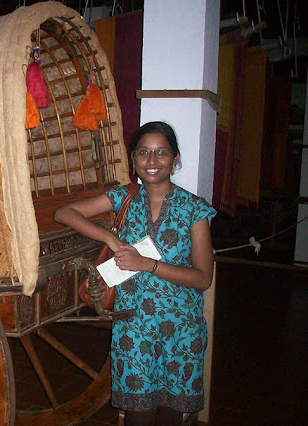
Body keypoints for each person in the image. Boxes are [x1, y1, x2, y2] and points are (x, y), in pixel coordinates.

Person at [54, 121, 216, 425]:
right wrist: (110, 240)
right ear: (133, 159)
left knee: (170, 417)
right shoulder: (123, 198)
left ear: (175, 159)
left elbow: (203, 278)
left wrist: (147, 264)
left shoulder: (194, 209)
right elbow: (63, 213)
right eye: (144, 153)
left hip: (180, 332)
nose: (152, 161)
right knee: (137, 417)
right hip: (135, 330)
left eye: (161, 153)